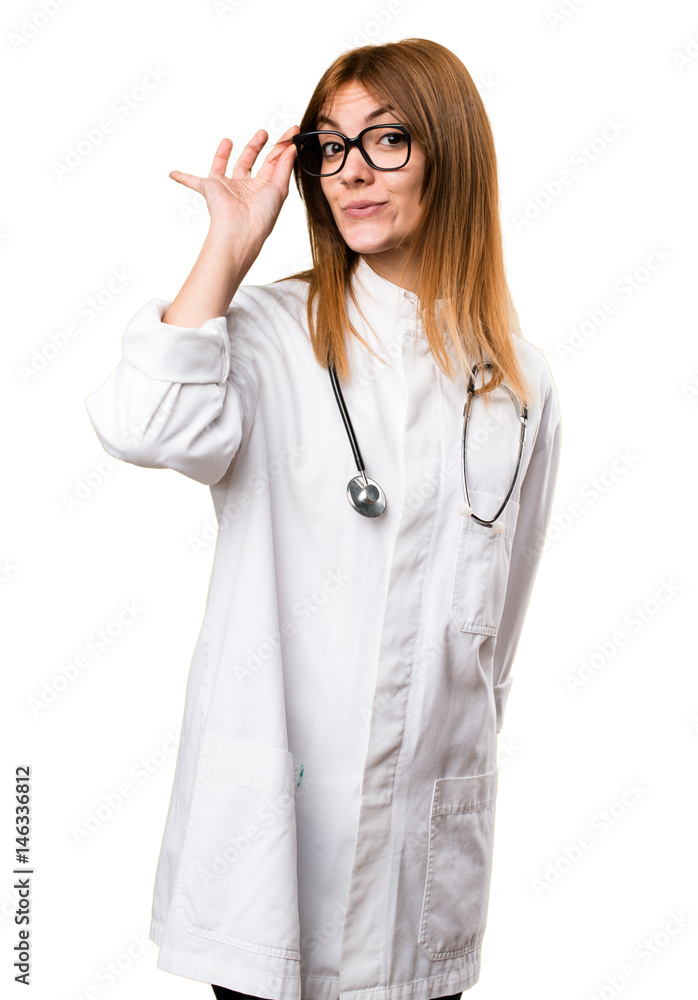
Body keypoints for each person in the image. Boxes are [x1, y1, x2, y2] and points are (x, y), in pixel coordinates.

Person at [84, 37, 562, 1000]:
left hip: (426, 855)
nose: (352, 172)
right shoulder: (264, 332)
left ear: (450, 152)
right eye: (331, 147)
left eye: (387, 141)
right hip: (272, 834)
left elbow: (497, 639)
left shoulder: (516, 376)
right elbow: (142, 422)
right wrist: (226, 248)